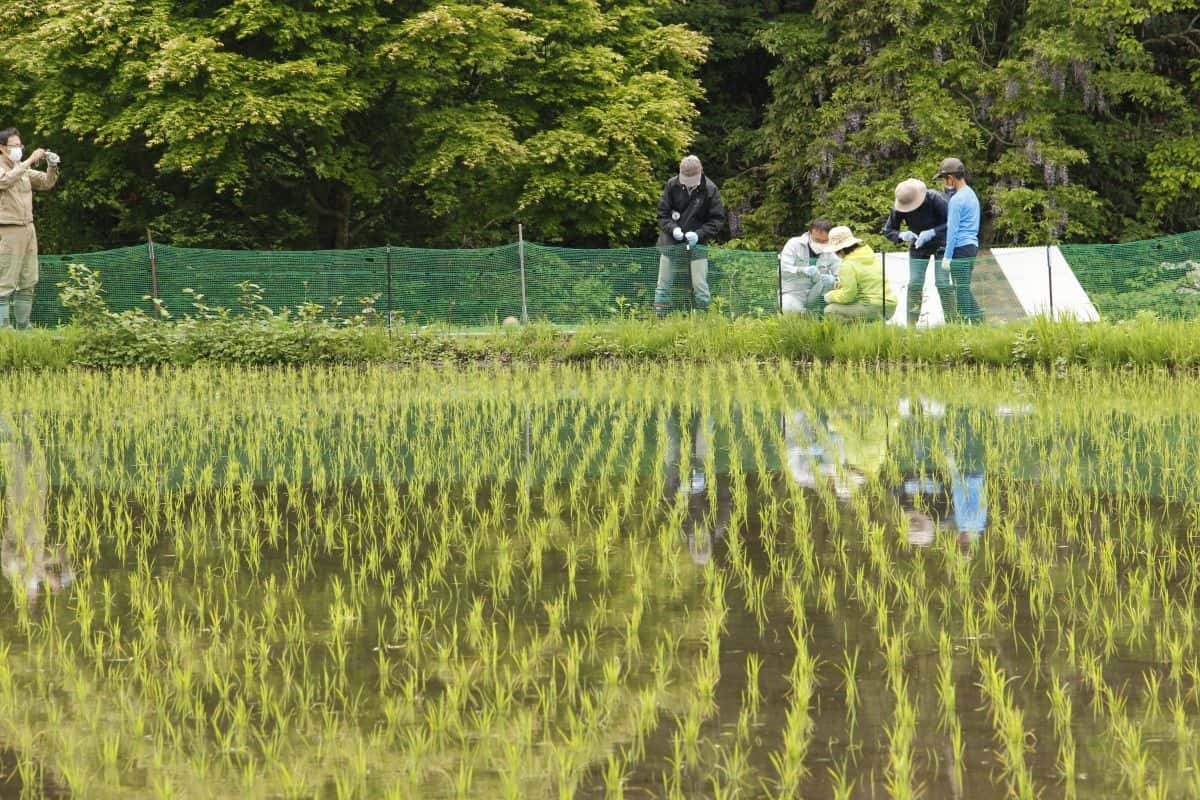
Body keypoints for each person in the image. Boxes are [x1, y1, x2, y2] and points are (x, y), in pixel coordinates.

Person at [2, 414, 74, 605]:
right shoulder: (37, 573)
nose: (33, 595)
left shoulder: (11, 572)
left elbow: (12, 556)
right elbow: (54, 555)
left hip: (19, 510)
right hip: (36, 509)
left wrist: (41, 571)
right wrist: (62, 558)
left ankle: (9, 420)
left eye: (29, 596)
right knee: (39, 470)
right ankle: (29, 422)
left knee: (17, 467)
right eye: (35, 595)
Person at [0, 128, 60, 330]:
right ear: (2, 148)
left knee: (28, 278)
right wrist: (29, 160)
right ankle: (3, 328)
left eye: (20, 145)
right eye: (14, 145)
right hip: (8, 229)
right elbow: (5, 181)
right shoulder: (5, 166)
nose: (19, 149)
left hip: (28, 228)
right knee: (5, 280)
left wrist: (52, 165)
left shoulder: (21, 168)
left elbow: (46, 182)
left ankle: (23, 326)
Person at [655, 155, 726, 315]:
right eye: (684, 178)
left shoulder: (710, 189)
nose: (687, 183)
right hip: (670, 243)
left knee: (700, 285)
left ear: (700, 172)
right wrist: (673, 228)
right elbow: (662, 214)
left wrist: (699, 234)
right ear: (680, 173)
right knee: (663, 284)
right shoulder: (672, 185)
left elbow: (717, 219)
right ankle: (659, 320)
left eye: (691, 179)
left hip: (698, 244)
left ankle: (704, 320)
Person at [883, 178, 952, 325]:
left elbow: (952, 222)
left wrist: (933, 231)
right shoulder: (900, 206)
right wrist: (901, 235)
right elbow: (888, 230)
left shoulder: (936, 199)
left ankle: (954, 323)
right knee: (914, 284)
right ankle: (911, 326)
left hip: (942, 243)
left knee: (943, 283)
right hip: (918, 245)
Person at [935, 157, 982, 323]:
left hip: (959, 248)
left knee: (960, 289)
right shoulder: (971, 194)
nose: (944, 183)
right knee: (964, 287)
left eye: (944, 179)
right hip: (972, 246)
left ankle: (963, 326)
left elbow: (952, 231)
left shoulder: (956, 200)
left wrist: (947, 256)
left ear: (951, 178)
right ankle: (979, 322)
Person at [821, 225, 897, 323]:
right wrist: (839, 285)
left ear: (841, 249)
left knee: (830, 310)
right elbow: (866, 282)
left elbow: (848, 295)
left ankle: (851, 334)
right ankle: (868, 329)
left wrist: (829, 296)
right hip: (889, 306)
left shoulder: (847, 264)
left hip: (871, 306)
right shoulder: (870, 256)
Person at [779, 219, 838, 315]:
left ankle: (821, 312)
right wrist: (802, 270)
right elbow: (783, 269)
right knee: (789, 309)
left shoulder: (832, 250)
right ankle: (805, 314)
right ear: (810, 233)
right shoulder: (794, 244)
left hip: (817, 293)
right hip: (793, 291)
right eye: (817, 240)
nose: (821, 244)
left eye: (825, 241)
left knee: (831, 286)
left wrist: (834, 280)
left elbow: (840, 274)